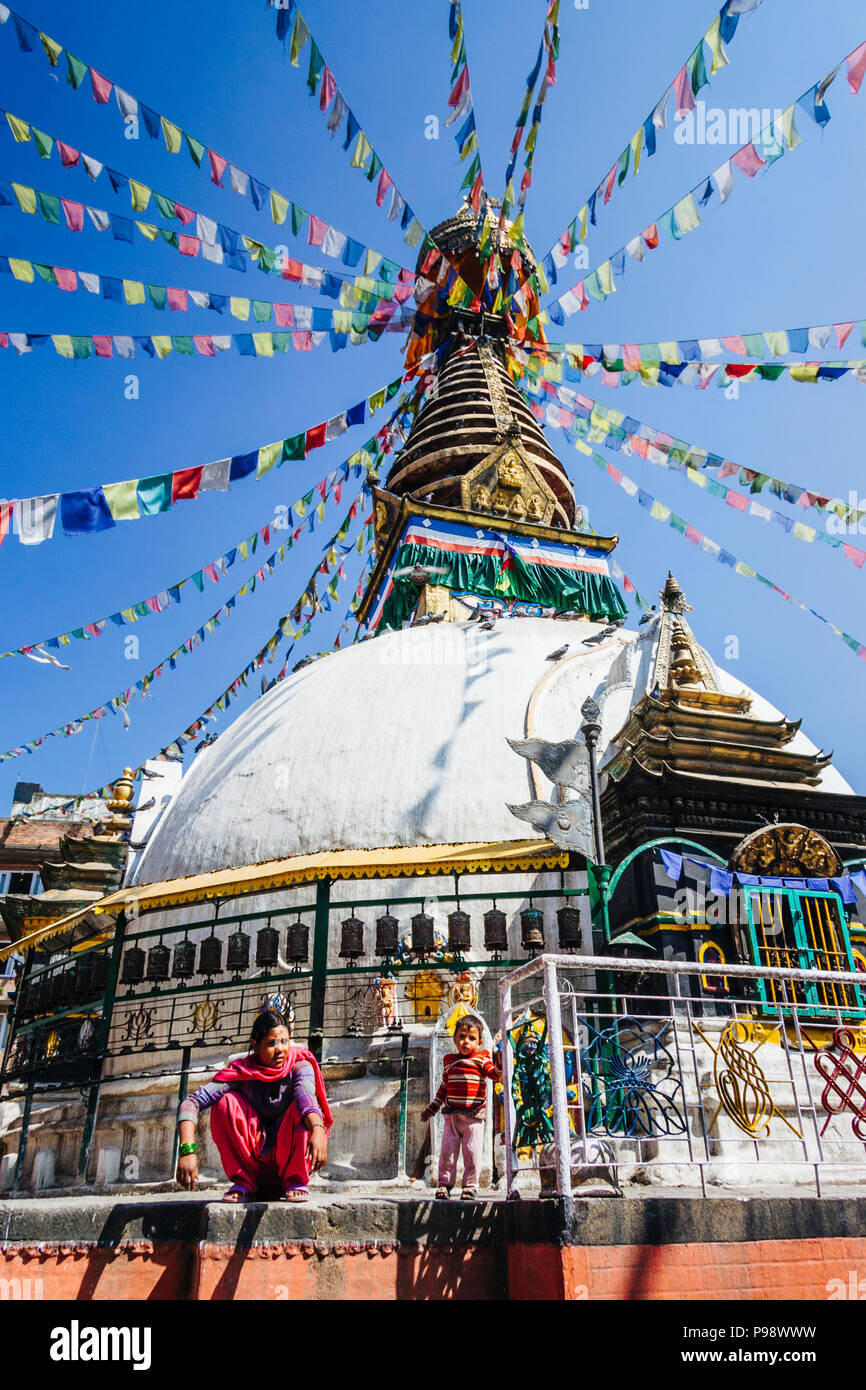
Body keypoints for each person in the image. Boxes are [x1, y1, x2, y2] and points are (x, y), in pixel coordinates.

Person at [175, 1008, 332, 1203]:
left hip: (288, 1172)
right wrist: (187, 1150)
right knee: (225, 1104)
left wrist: (317, 1129)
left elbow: (306, 1099)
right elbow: (192, 1101)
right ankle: (244, 1182)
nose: (280, 1049)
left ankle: (295, 1180)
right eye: (271, 1043)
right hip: (254, 1171)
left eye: (284, 1041)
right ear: (255, 1046)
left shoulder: (300, 1066)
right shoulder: (242, 1071)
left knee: (304, 1113)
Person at [421, 1013, 501, 1200]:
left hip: (473, 1118)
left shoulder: (482, 1059)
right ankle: (444, 1185)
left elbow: (494, 1075)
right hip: (452, 1118)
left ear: (479, 1042)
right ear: (455, 1040)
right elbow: (443, 1088)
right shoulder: (449, 1061)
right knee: (447, 1155)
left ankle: (470, 1186)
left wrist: (499, 1064)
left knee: (472, 1154)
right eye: (462, 1037)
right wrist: (432, 1109)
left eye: (471, 1038)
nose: (466, 1042)